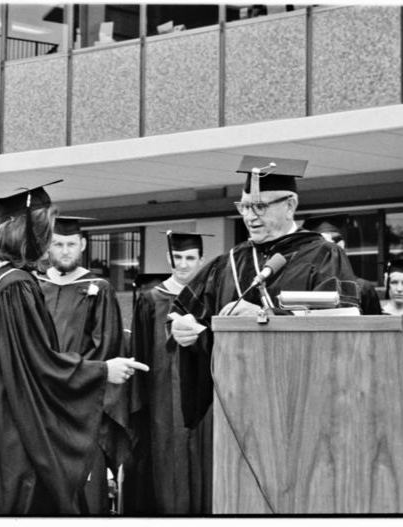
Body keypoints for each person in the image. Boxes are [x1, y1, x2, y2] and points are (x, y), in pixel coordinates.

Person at [0, 184, 148, 515]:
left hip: (2, 418)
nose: (49, 239)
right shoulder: (17, 285)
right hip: (21, 428)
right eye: (46, 230)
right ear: (29, 232)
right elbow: (38, 362)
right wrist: (101, 370)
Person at [170, 155, 360, 430]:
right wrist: (181, 327)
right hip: (238, 405)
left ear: (290, 205)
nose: (249, 216)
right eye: (245, 206)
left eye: (260, 206)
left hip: (303, 404)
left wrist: (266, 315)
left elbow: (343, 321)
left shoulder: (323, 255)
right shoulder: (230, 262)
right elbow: (182, 314)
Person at [35, 216, 130, 514]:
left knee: (85, 494)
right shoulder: (34, 287)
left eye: (71, 244)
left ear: (83, 245)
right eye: (58, 244)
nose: (65, 251)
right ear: (48, 246)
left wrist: (74, 384)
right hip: (40, 404)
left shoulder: (99, 288)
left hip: (83, 409)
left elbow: (106, 348)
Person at [129, 231, 214, 514]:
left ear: (201, 259)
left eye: (190, 258)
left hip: (205, 396)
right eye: (177, 257)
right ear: (168, 258)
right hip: (163, 397)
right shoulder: (151, 299)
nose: (184, 264)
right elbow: (140, 351)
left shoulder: (210, 298)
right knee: (168, 462)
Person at [302, 214, 382, 315]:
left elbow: (376, 327)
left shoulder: (363, 288)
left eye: (326, 247)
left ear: (341, 245)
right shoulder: (306, 287)